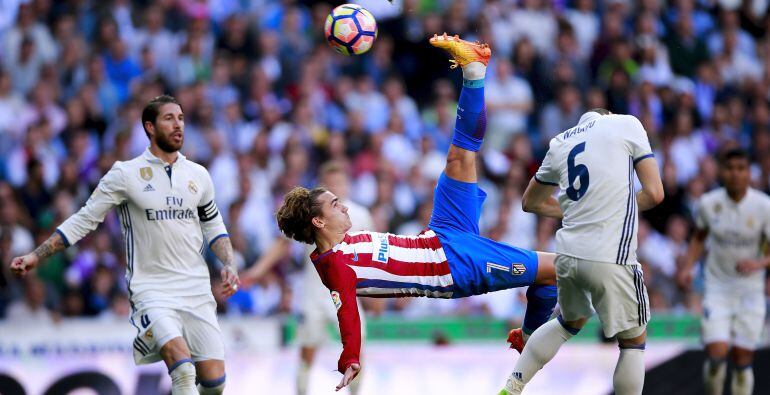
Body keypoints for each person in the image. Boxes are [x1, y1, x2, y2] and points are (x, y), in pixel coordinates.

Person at [275, 33, 559, 392]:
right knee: (556, 268)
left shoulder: (343, 240)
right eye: (334, 205)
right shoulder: (334, 268)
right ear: (318, 221)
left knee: (460, 156)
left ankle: (473, 69)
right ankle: (532, 336)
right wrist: (350, 359)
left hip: (439, 233)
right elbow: (347, 314)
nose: (344, 205)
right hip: (455, 266)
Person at [9, 95, 240, 395]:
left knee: (214, 384)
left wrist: (230, 263)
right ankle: (154, 335)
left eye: (181, 118)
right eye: (169, 118)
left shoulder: (199, 175)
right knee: (183, 370)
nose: (178, 125)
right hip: (152, 289)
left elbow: (214, 226)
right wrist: (36, 255)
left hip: (195, 289)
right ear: (149, 127)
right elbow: (84, 219)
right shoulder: (125, 174)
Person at [503, 108, 664, 395]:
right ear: (608, 115)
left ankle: (512, 386)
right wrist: (614, 208)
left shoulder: (560, 142)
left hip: (568, 257)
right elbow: (655, 193)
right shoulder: (625, 124)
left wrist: (580, 209)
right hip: (612, 256)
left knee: (567, 322)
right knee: (633, 341)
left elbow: (530, 203)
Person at [240, 160, 373, 395]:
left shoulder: (359, 214)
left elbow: (372, 256)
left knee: (357, 350)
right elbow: (281, 245)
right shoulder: (313, 216)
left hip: (348, 294)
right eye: (331, 183)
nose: (337, 187)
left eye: (340, 181)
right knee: (308, 351)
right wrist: (256, 272)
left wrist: (377, 296)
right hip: (314, 294)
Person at [676, 148, 770, 395]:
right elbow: (698, 237)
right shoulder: (709, 204)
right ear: (721, 171)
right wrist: (688, 267)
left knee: (742, 356)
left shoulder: (763, 207)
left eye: (741, 168)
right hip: (717, 288)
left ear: (749, 173)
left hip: (751, 290)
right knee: (716, 353)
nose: (735, 174)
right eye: (730, 168)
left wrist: (759, 264)